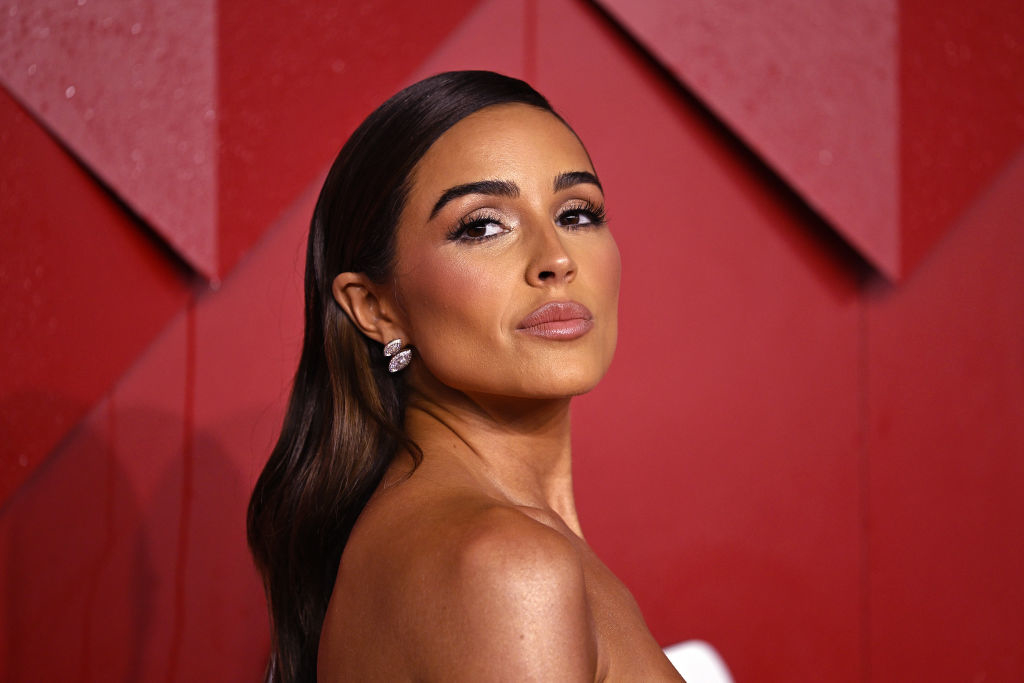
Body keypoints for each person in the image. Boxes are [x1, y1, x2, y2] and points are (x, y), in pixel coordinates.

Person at [247, 70, 684, 682]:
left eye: (577, 213)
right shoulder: (505, 567)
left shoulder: (464, 541)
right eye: (482, 225)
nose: (556, 259)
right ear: (376, 308)